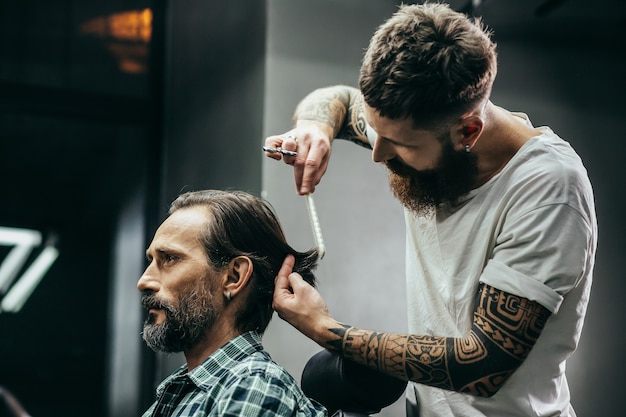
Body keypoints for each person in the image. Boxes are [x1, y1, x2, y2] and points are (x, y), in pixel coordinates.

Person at [265, 3, 597, 417]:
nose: (378, 153)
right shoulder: (414, 125)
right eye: (376, 131)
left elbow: (483, 364)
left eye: (400, 145)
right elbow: (334, 98)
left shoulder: (549, 190)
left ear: (467, 130)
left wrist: (326, 331)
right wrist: (316, 126)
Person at [137, 189, 327, 417]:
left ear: (234, 277)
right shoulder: (183, 392)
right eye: (152, 260)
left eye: (169, 258)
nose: (144, 281)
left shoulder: (253, 384)